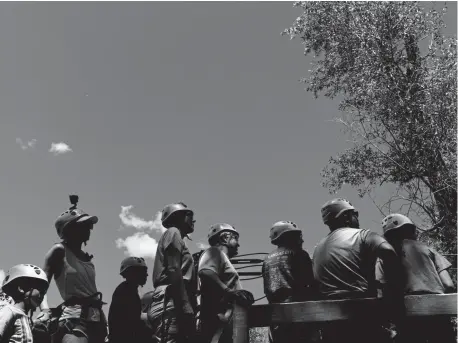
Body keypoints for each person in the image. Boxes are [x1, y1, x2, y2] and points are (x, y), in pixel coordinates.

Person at [313, 198, 403, 343]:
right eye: (355, 213)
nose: (357, 217)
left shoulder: (318, 248)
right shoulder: (363, 235)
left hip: (331, 324)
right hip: (363, 316)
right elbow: (389, 252)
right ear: (345, 217)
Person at [35, 195, 107, 343]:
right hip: (74, 320)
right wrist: (45, 310)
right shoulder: (59, 251)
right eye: (82, 225)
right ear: (68, 230)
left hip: (97, 319)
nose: (88, 229)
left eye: (88, 225)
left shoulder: (88, 258)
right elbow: (40, 287)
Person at [377, 213, 455, 343]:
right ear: (412, 230)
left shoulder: (384, 257)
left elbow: (381, 293)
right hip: (438, 315)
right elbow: (449, 285)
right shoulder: (428, 249)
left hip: (407, 319)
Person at [147, 202, 198, 343]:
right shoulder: (173, 232)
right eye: (189, 215)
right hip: (171, 298)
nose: (193, 220)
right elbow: (173, 269)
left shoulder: (175, 236)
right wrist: (185, 303)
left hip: (173, 297)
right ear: (178, 216)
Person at [262, 221, 317, 343]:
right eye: (297, 236)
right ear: (288, 237)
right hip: (299, 314)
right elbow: (311, 283)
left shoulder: (267, 259)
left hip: (276, 316)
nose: (301, 241)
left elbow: (267, 289)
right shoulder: (300, 254)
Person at [198, 223, 254, 343]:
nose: (238, 244)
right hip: (218, 318)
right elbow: (205, 272)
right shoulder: (214, 252)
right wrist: (229, 292)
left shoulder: (222, 257)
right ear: (225, 238)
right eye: (235, 238)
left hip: (226, 317)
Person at [0, 264, 49, 343]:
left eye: (44, 292)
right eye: (40, 290)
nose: (42, 295)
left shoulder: (27, 320)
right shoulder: (9, 311)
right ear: (21, 288)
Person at [108, 257, 149, 343]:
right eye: (143, 271)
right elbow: (133, 322)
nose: (146, 275)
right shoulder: (126, 291)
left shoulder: (127, 289)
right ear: (133, 273)